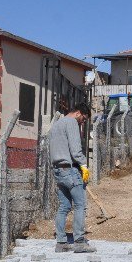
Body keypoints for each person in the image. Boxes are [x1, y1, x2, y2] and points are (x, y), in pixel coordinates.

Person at [50, 105, 96, 253]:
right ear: (78, 113)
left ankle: (61, 243)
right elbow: (76, 150)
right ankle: (80, 242)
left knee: (64, 206)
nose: (82, 122)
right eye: (83, 119)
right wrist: (84, 165)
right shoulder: (71, 123)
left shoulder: (56, 125)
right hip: (70, 170)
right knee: (80, 205)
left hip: (58, 169)